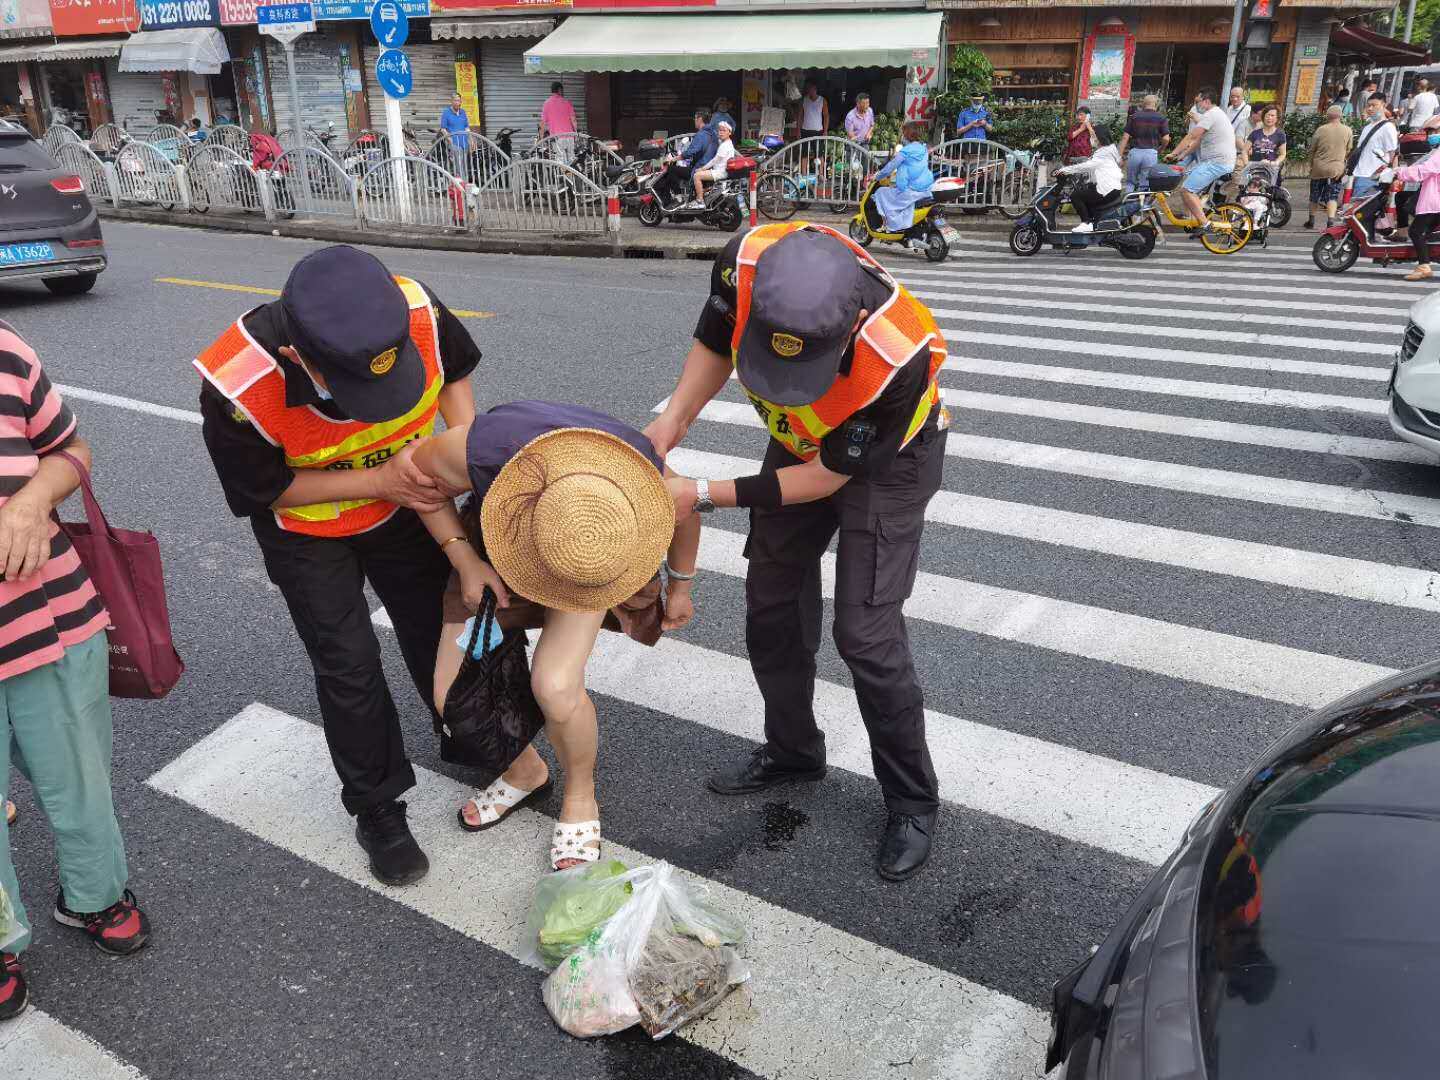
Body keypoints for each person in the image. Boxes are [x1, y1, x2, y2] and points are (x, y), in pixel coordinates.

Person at [647, 223, 951, 883]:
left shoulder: (898, 354)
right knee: (772, 600)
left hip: (883, 463)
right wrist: (671, 423)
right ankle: (792, 751)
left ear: (846, 333)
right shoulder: (746, 263)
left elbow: (825, 479)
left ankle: (912, 801)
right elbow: (712, 337)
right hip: (801, 438)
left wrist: (699, 493)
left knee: (865, 634)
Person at [194, 246, 482, 888]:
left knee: (437, 625)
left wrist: (469, 460)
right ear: (300, 360)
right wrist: (382, 478)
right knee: (347, 663)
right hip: (308, 530)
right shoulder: (238, 382)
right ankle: (377, 805)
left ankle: (469, 734)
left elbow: (456, 371)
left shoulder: (409, 309)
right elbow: (263, 490)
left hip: (406, 501)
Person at [410, 403, 699, 869]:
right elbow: (416, 480)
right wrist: (464, 559)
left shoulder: (644, 474)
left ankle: (581, 796)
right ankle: (526, 772)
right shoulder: (477, 450)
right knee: (450, 692)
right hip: (502, 538)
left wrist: (681, 585)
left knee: (556, 686)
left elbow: (687, 513)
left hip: (586, 564)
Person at [0, 319, 152, 1025]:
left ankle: (96, 893)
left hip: (48, 617)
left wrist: (33, 501)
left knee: (80, 775)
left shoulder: (5, 348)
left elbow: (69, 449)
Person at [1165, 87, 1237, 231]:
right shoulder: (1215, 114)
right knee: (1191, 185)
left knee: (1186, 190)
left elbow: (1191, 136)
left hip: (1217, 163)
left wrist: (1173, 152)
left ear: (1206, 101)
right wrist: (1181, 155)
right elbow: (1197, 141)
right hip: (1217, 161)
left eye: (1198, 101)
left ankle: (1204, 224)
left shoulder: (1211, 114)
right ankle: (1197, 219)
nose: (1197, 105)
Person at [871, 120, 934, 246]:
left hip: (911, 190)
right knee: (893, 193)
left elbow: (890, 167)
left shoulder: (905, 152)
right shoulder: (923, 148)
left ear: (906, 135)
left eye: (903, 133)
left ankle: (890, 227)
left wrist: (877, 176)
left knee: (880, 192)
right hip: (926, 189)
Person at [1394, 127, 1440, 280]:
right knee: (1425, 232)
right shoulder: (1436, 151)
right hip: (1434, 198)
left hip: (1435, 200)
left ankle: (1424, 266)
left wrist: (1399, 172)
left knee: (1416, 231)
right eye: (1431, 132)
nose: (1433, 135)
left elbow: (1424, 171)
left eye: (1436, 131)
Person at [1057, 143, 1124, 233]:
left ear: (1099, 139)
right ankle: (1093, 221)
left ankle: (1086, 223)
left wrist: (1065, 170)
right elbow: (1088, 161)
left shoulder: (1102, 154)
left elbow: (1086, 166)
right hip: (1113, 188)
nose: (1091, 140)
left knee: (1076, 196)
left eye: (1093, 137)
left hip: (1107, 190)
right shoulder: (1109, 149)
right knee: (1088, 189)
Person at [1305, 104, 1353, 228]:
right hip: (1336, 170)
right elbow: (1349, 149)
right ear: (1341, 116)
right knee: (1332, 196)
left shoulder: (1321, 129)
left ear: (1327, 116)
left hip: (1319, 168)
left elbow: (1312, 149)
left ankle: (1311, 221)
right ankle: (1330, 221)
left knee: (1314, 195)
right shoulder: (1348, 130)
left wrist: (1311, 165)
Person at [659, 109, 715, 210]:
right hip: (710, 168)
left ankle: (679, 198)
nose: (694, 121)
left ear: (700, 119)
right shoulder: (712, 133)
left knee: (671, 169)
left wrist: (674, 159)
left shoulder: (701, 134)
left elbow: (691, 152)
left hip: (699, 168)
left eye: (695, 118)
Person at [1352, 92, 1399, 202]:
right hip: (1358, 174)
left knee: (1361, 214)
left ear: (1383, 105)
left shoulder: (1388, 127)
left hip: (1372, 178)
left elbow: (1393, 153)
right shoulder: (1367, 127)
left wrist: (1394, 177)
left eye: (1374, 105)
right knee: (1353, 213)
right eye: (1368, 105)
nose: (1370, 108)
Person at [1118, 93, 1170, 192]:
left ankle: (1128, 204)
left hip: (1135, 153)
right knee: (1145, 184)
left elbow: (1125, 138)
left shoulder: (1134, 117)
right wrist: (1161, 149)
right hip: (1151, 154)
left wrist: (1119, 156)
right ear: (1156, 104)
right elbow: (1166, 139)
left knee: (1130, 182)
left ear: (1143, 104)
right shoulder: (1161, 118)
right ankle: (1142, 206)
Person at [689, 118, 736, 207]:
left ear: (729, 132)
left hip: (720, 172)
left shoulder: (725, 145)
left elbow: (715, 160)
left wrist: (702, 168)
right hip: (720, 171)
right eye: (720, 130)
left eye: (724, 131)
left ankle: (699, 201)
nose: (721, 132)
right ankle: (703, 194)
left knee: (696, 176)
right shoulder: (726, 143)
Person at [539, 80, 578, 162]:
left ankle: (563, 174)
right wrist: (576, 133)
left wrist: (541, 138)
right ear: (560, 90)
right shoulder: (566, 102)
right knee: (571, 160)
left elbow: (542, 123)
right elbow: (573, 120)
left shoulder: (546, 104)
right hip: (570, 136)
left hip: (557, 138)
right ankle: (570, 174)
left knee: (560, 161)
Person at [1240, 104, 1287, 173]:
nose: (1269, 118)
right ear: (1263, 117)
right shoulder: (1255, 133)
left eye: (1272, 115)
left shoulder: (1280, 134)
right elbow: (1244, 151)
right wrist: (1247, 165)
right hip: (1254, 170)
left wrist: (1276, 162)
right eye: (1267, 115)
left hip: (1271, 171)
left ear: (1277, 118)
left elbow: (1283, 154)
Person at [440, 93, 470, 175]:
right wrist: (450, 141)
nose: (458, 103)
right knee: (459, 167)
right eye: (456, 101)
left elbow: (466, 127)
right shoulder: (446, 113)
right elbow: (443, 129)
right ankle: (461, 186)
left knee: (465, 166)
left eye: (459, 101)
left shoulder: (463, 112)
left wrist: (470, 139)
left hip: (464, 143)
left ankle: (464, 184)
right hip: (455, 144)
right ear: (452, 101)